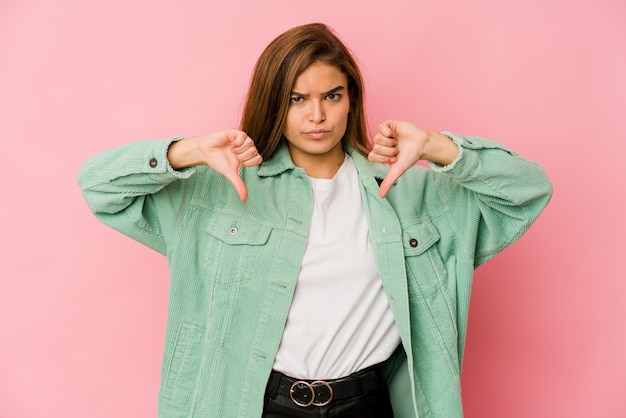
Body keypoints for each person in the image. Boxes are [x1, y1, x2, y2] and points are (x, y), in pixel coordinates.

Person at [78, 23, 553, 418]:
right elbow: (99, 187)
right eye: (297, 99)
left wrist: (437, 146)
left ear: (351, 99)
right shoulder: (222, 190)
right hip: (255, 404)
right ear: (274, 102)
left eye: (332, 95)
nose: (318, 115)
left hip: (367, 404)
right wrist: (186, 152)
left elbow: (529, 190)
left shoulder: (413, 194)